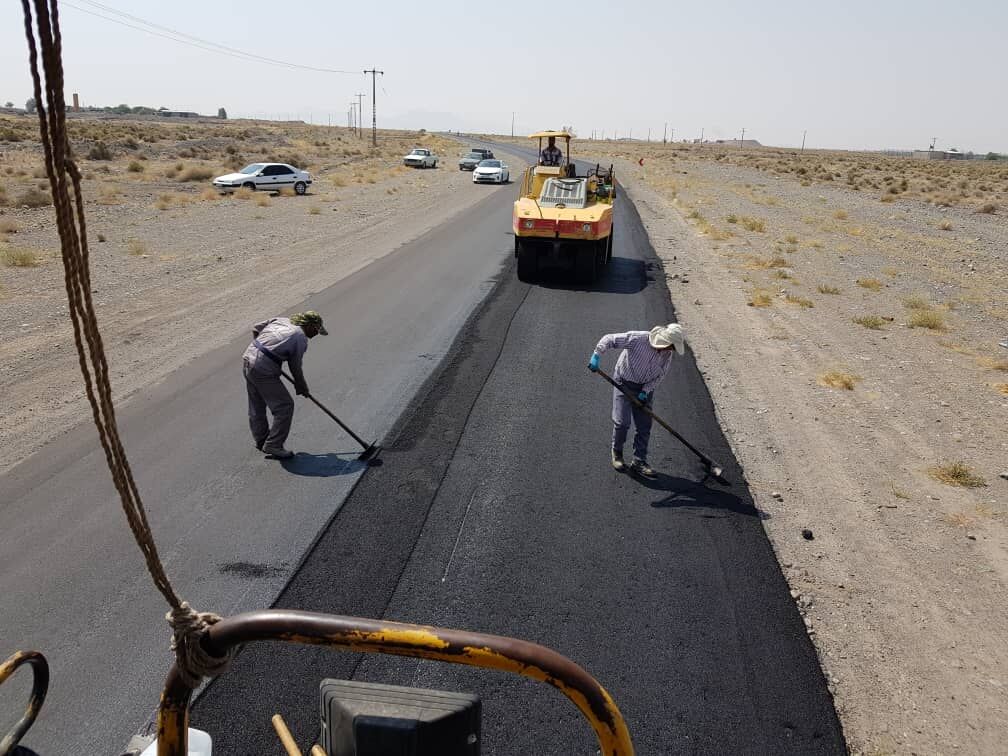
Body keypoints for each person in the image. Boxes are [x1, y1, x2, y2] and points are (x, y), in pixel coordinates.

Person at [588, 323, 685, 478]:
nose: (671, 350)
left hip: (644, 389)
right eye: (671, 347)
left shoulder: (667, 354)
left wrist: (645, 392)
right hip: (623, 383)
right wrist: (597, 355)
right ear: (665, 341)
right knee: (622, 423)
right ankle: (617, 453)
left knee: (644, 425)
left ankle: (639, 461)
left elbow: (660, 376)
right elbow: (609, 339)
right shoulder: (638, 339)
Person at [242, 311, 327, 459]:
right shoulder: (300, 337)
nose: (315, 334)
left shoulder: (280, 320)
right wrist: (302, 387)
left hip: (248, 360)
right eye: (316, 330)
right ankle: (273, 444)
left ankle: (261, 440)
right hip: (263, 370)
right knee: (284, 406)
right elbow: (295, 367)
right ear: (309, 325)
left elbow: (256, 328)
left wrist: (264, 350)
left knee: (257, 405)